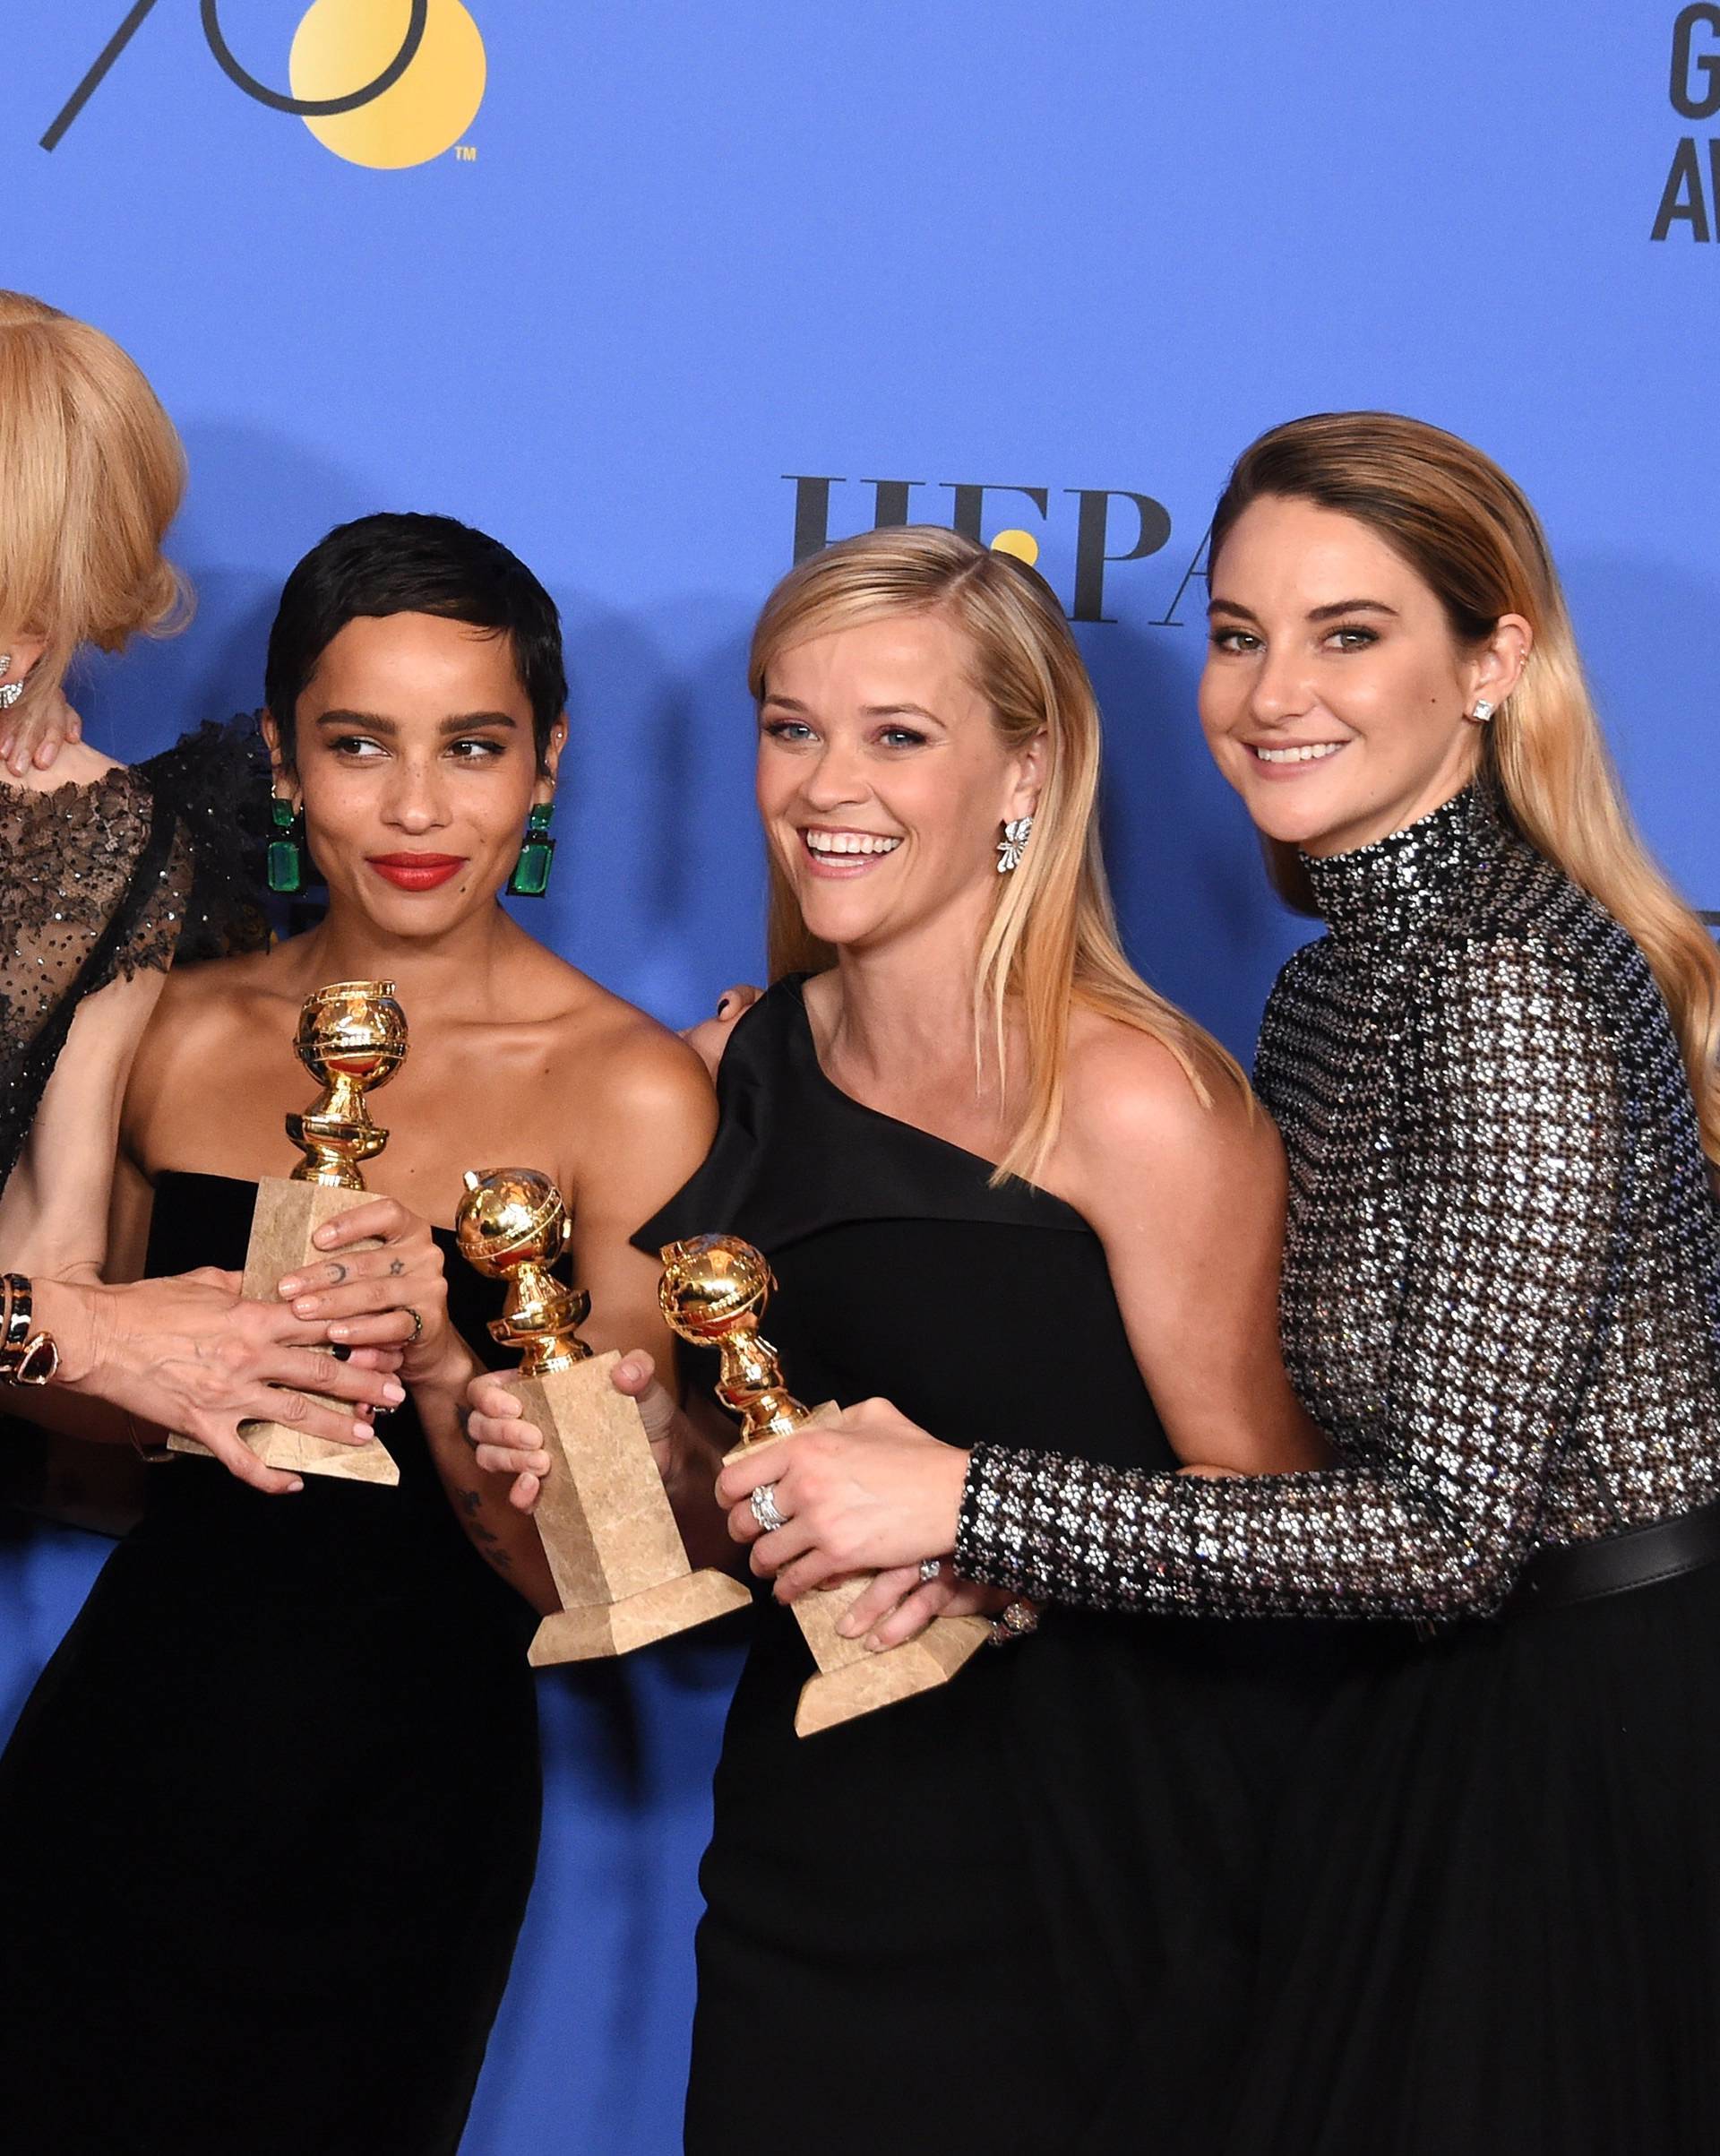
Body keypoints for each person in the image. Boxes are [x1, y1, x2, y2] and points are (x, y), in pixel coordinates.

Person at [711, 417, 1720, 2153]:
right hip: (1430, 1727)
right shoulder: (1348, 979)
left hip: (1589, 1749)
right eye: (1242, 634)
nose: (1269, 693)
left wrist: (970, 1499)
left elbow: (1445, 1535)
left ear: (1495, 660)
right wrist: (1000, 1554)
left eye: (1350, 633)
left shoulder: (1507, 979)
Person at [468, 526, 1346, 2153]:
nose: (823, 785)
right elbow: (724, 1541)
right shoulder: (725, 1075)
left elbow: (1304, 1553)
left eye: (898, 735)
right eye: (790, 725)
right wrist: (634, 1456)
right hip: (821, 1864)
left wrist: (994, 1540)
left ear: (1028, 768)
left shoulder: (1143, 1102)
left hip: (1117, 1875)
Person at [0, 513, 718, 2156]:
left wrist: (453, 1363)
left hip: (408, 1801)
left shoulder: (629, 1088)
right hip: (125, 1751)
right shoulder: (170, 1020)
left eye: (472, 747)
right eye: (357, 744)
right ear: (281, 758)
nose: (413, 809)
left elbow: (606, 1574)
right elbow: (74, 1410)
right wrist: (158, 1358)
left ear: (544, 769)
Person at [0, 289, 397, 1483]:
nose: (15, 654)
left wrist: (204, 1364)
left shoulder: (99, 829)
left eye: (33, 614)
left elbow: (54, 1248)